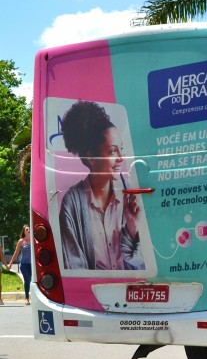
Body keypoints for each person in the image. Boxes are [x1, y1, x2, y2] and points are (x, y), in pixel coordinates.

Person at [59, 100, 145, 270]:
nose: (121, 157)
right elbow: (75, 268)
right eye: (113, 151)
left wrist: (132, 228)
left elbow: (143, 265)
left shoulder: (132, 194)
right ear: (91, 158)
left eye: (121, 149)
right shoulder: (72, 202)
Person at [9, 225, 32, 305]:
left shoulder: (34, 239)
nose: (28, 230)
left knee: (34, 281)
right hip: (24, 264)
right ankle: (27, 298)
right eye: (27, 229)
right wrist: (10, 264)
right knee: (27, 279)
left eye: (29, 229)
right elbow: (16, 253)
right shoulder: (21, 241)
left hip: (32, 264)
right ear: (24, 231)